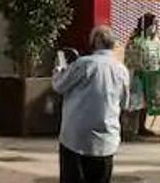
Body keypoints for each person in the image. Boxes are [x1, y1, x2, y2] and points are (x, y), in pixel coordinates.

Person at [52, 25, 131, 183]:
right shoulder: (121, 70)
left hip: (76, 138)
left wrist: (58, 70)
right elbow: (124, 103)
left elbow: (59, 86)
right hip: (106, 139)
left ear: (96, 42)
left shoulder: (84, 64)